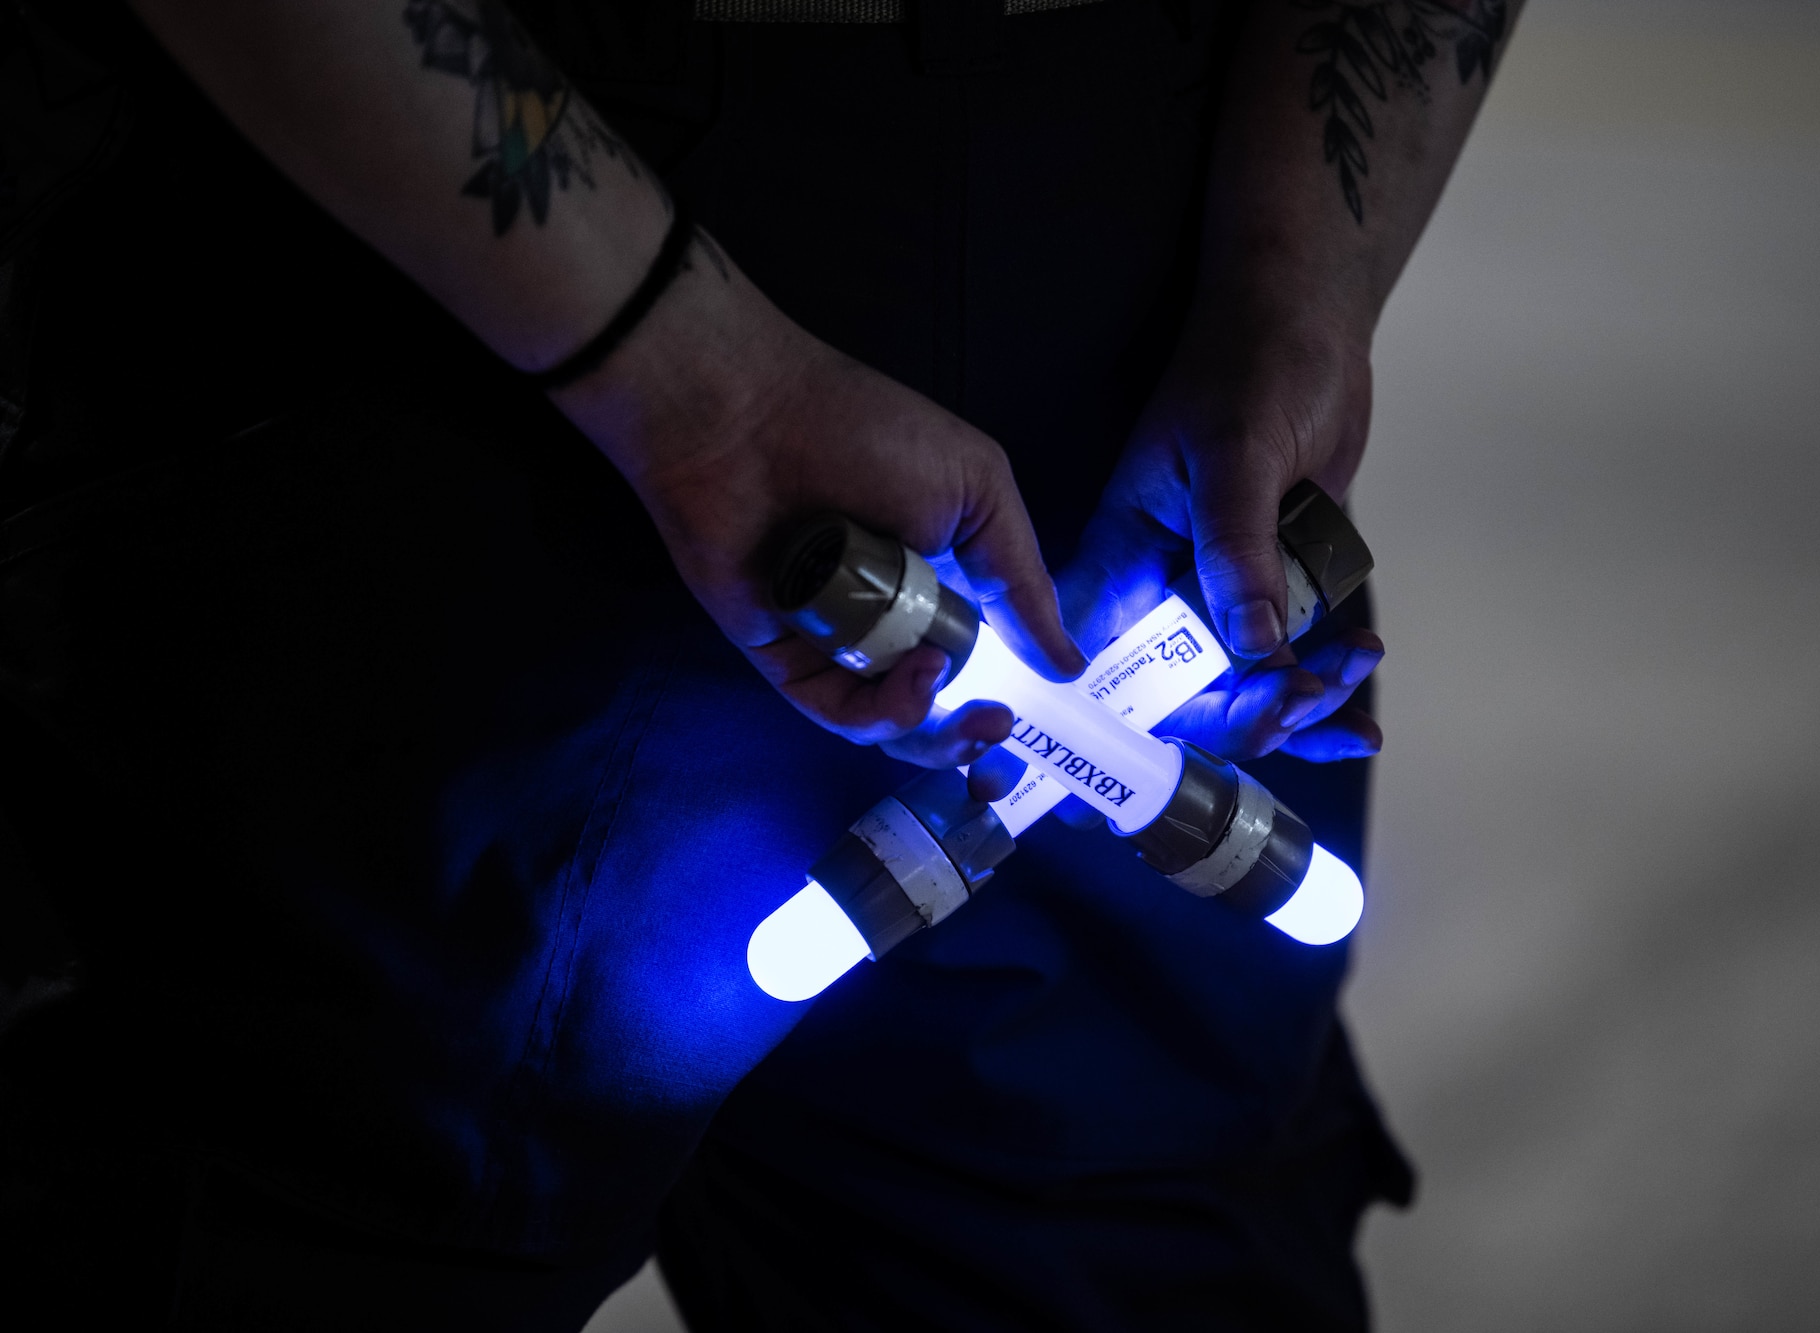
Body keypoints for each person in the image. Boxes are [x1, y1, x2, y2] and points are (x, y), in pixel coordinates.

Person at [0, 0, 1513, 1327]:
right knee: (287, 1224)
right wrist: (687, 384)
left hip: (1131, 341)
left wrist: (1298, 287)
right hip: (426, 323)